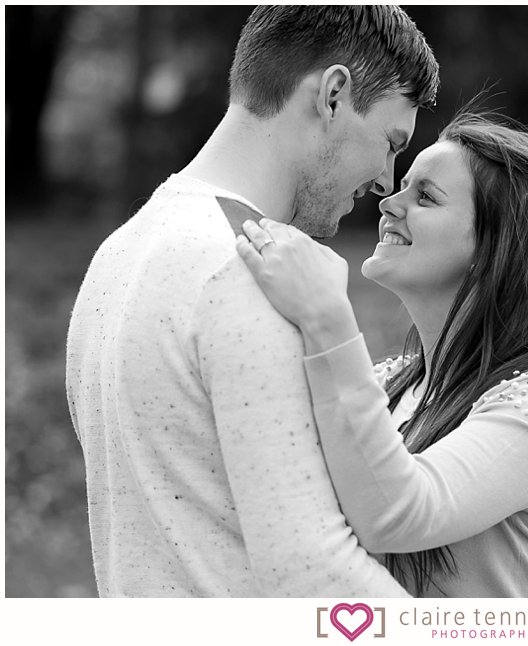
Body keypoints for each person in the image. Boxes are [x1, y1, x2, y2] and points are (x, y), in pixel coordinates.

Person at [65, 5, 439, 597]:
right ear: (334, 95)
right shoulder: (250, 272)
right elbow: (311, 570)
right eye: (390, 142)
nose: (387, 182)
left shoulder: (117, 255)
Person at [236, 112, 528, 597]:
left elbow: (400, 512)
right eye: (403, 186)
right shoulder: (389, 385)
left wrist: (328, 318)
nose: (389, 203)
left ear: (496, 248)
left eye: (425, 197)